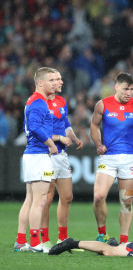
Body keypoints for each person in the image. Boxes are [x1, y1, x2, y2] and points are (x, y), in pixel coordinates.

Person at [90, 72, 133, 244]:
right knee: (98, 196)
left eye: (132, 89)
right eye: (126, 89)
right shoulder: (103, 105)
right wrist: (98, 143)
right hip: (109, 158)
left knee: (126, 201)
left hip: (129, 159)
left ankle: (124, 241)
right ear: (117, 87)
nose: (129, 93)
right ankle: (102, 233)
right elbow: (94, 125)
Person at [14, 67, 59, 252]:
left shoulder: (34, 100)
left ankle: (20, 240)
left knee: (30, 198)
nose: (55, 84)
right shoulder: (39, 101)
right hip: (39, 154)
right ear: (40, 83)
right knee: (39, 200)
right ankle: (34, 243)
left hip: (32, 154)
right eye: (51, 80)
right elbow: (34, 126)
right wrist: (51, 143)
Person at [40, 70, 84, 249]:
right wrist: (59, 138)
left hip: (62, 154)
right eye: (55, 79)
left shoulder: (61, 101)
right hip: (46, 154)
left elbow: (65, 123)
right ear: (45, 82)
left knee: (66, 196)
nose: (60, 82)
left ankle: (62, 238)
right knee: (47, 197)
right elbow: (36, 131)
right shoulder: (39, 103)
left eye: (59, 78)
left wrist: (73, 137)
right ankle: (42, 239)